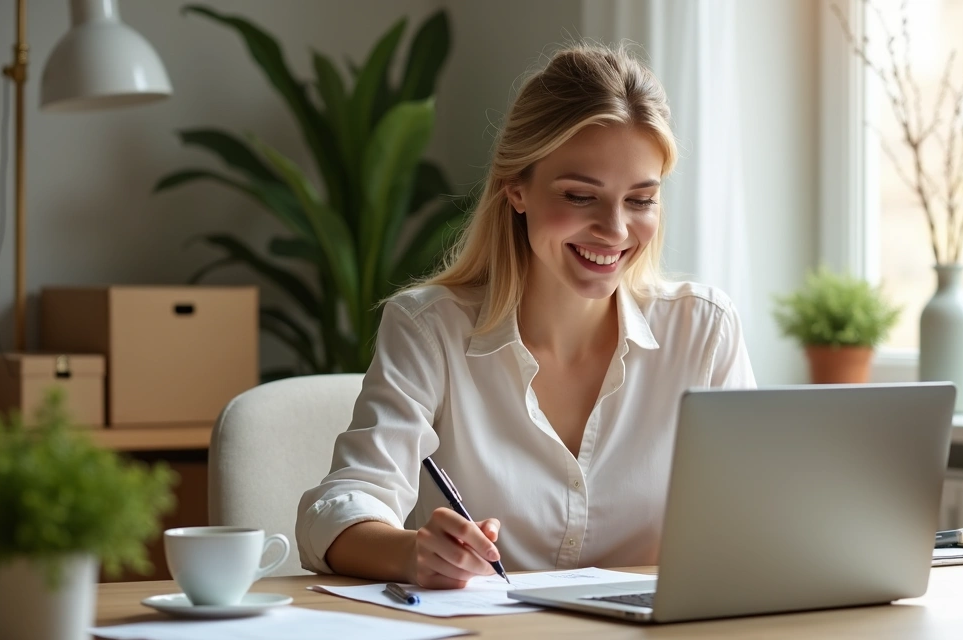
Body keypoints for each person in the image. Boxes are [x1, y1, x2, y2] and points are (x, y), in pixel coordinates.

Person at [296, 43, 755, 588]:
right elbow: (338, 508)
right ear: (516, 189)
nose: (614, 230)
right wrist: (414, 553)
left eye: (640, 200)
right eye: (580, 196)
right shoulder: (431, 329)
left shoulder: (703, 330)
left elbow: (759, 513)